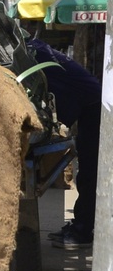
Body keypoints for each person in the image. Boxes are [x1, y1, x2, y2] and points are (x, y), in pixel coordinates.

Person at [29, 38, 102, 249]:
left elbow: (65, 107)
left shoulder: (37, 63)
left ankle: (82, 232)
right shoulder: (38, 50)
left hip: (97, 108)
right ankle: (81, 224)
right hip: (93, 103)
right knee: (88, 171)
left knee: (90, 171)